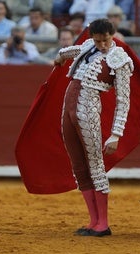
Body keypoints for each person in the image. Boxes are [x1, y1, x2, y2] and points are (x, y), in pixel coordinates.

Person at [53, 19, 134, 237]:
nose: (102, 46)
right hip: (68, 109)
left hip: (88, 111)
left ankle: (103, 224)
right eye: (97, 41)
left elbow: (123, 101)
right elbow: (72, 50)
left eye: (106, 40)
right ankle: (93, 221)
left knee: (96, 164)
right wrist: (60, 57)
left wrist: (116, 134)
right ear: (92, 37)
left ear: (112, 35)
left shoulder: (120, 60)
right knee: (78, 166)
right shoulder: (89, 46)